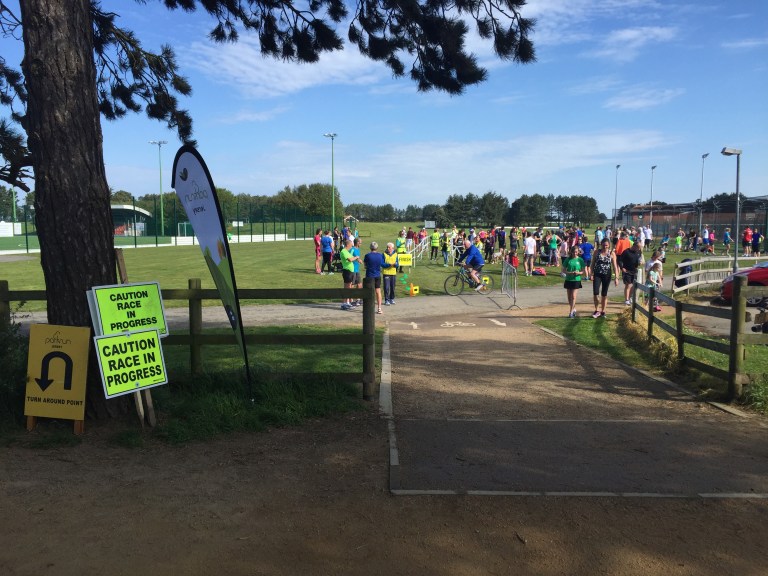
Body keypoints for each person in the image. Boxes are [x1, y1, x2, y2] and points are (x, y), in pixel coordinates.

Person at [590, 239, 619, 318]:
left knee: (604, 294)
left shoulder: (611, 253)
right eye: (603, 245)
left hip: (607, 275)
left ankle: (603, 311)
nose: (605, 246)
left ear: (609, 245)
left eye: (606, 245)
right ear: (601, 244)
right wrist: (591, 273)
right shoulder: (597, 252)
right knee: (596, 293)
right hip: (597, 274)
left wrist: (616, 278)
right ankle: (596, 310)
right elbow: (592, 264)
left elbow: (615, 267)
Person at [363, 241, 389, 314]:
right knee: (378, 291)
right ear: (377, 248)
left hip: (369, 275)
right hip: (377, 275)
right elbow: (381, 264)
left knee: (369, 292)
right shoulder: (380, 255)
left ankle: (368, 308)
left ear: (370, 248)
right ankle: (379, 308)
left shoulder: (367, 255)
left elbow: (365, 266)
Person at [562, 244, 585, 318]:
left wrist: (578, 273)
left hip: (576, 280)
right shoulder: (568, 259)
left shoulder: (580, 260)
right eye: (573, 252)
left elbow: (583, 271)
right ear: (571, 252)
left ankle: (571, 312)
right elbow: (564, 270)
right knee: (569, 297)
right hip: (569, 279)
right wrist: (570, 273)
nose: (575, 253)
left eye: (576, 252)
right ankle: (573, 308)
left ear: (578, 252)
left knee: (573, 296)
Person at [339, 239, 360, 310]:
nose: (351, 247)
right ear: (348, 245)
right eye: (351, 245)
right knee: (347, 288)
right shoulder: (343, 251)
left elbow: (351, 258)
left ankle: (347, 302)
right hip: (347, 271)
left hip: (350, 271)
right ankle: (344, 303)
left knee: (348, 287)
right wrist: (356, 257)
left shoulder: (347, 252)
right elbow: (350, 259)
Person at [619, 241, 643, 305]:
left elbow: (639, 259)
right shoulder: (626, 252)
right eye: (638, 247)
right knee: (628, 285)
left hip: (634, 270)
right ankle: (626, 299)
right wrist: (622, 267)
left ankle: (630, 298)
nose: (639, 249)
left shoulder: (638, 252)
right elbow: (620, 260)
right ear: (634, 246)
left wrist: (639, 262)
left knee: (633, 285)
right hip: (626, 270)